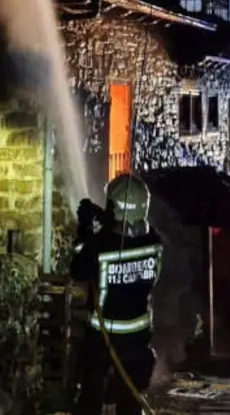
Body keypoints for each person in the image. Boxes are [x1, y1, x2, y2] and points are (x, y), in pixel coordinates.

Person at [70, 175, 163, 415]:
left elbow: (78, 270)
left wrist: (85, 234)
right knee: (130, 401)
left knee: (90, 396)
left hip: (101, 336)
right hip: (137, 335)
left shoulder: (100, 245)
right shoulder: (155, 242)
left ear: (114, 206)